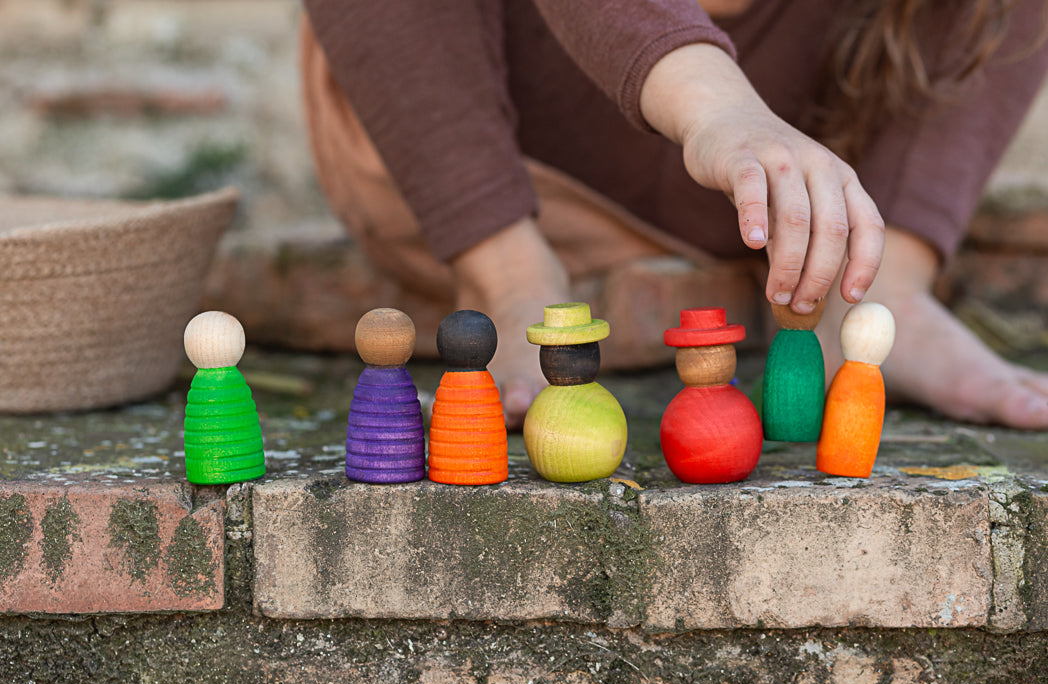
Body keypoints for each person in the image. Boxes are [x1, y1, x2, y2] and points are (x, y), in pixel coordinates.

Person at [299, 0, 1048, 429]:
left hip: (770, 192)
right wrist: (719, 112)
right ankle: (508, 279)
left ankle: (879, 287)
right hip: (483, 168)